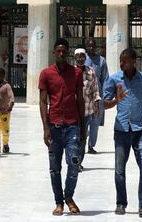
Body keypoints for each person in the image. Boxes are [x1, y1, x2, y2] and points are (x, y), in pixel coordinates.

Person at [103, 48, 142, 219]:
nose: (121, 64)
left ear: (134, 61)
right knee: (119, 170)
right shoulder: (114, 79)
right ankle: (121, 203)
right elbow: (105, 104)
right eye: (120, 60)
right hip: (121, 130)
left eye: (125, 61)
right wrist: (116, 100)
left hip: (140, 130)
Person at [39, 38, 85, 216]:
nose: (61, 54)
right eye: (58, 51)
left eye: (64, 51)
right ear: (54, 53)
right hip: (54, 127)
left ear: (68, 53)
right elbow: (43, 102)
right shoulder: (46, 74)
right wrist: (45, 128)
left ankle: (69, 196)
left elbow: (80, 100)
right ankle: (59, 202)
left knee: (74, 163)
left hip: (72, 126)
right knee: (54, 168)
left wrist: (82, 127)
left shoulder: (76, 73)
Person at [74, 48, 100, 171]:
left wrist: (96, 104)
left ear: (85, 58)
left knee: (83, 138)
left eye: (82, 56)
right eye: (78, 56)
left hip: (87, 111)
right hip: (73, 112)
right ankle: (74, 162)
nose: (80, 58)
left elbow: (95, 90)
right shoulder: (71, 72)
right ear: (74, 58)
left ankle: (78, 162)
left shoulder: (91, 71)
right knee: (74, 138)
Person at [85, 38, 108, 154]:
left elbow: (105, 79)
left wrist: (105, 97)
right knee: (84, 122)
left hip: (97, 96)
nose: (91, 48)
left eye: (93, 46)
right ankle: (81, 143)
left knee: (95, 123)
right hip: (84, 97)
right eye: (89, 46)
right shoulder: (82, 59)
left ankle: (91, 145)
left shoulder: (102, 61)